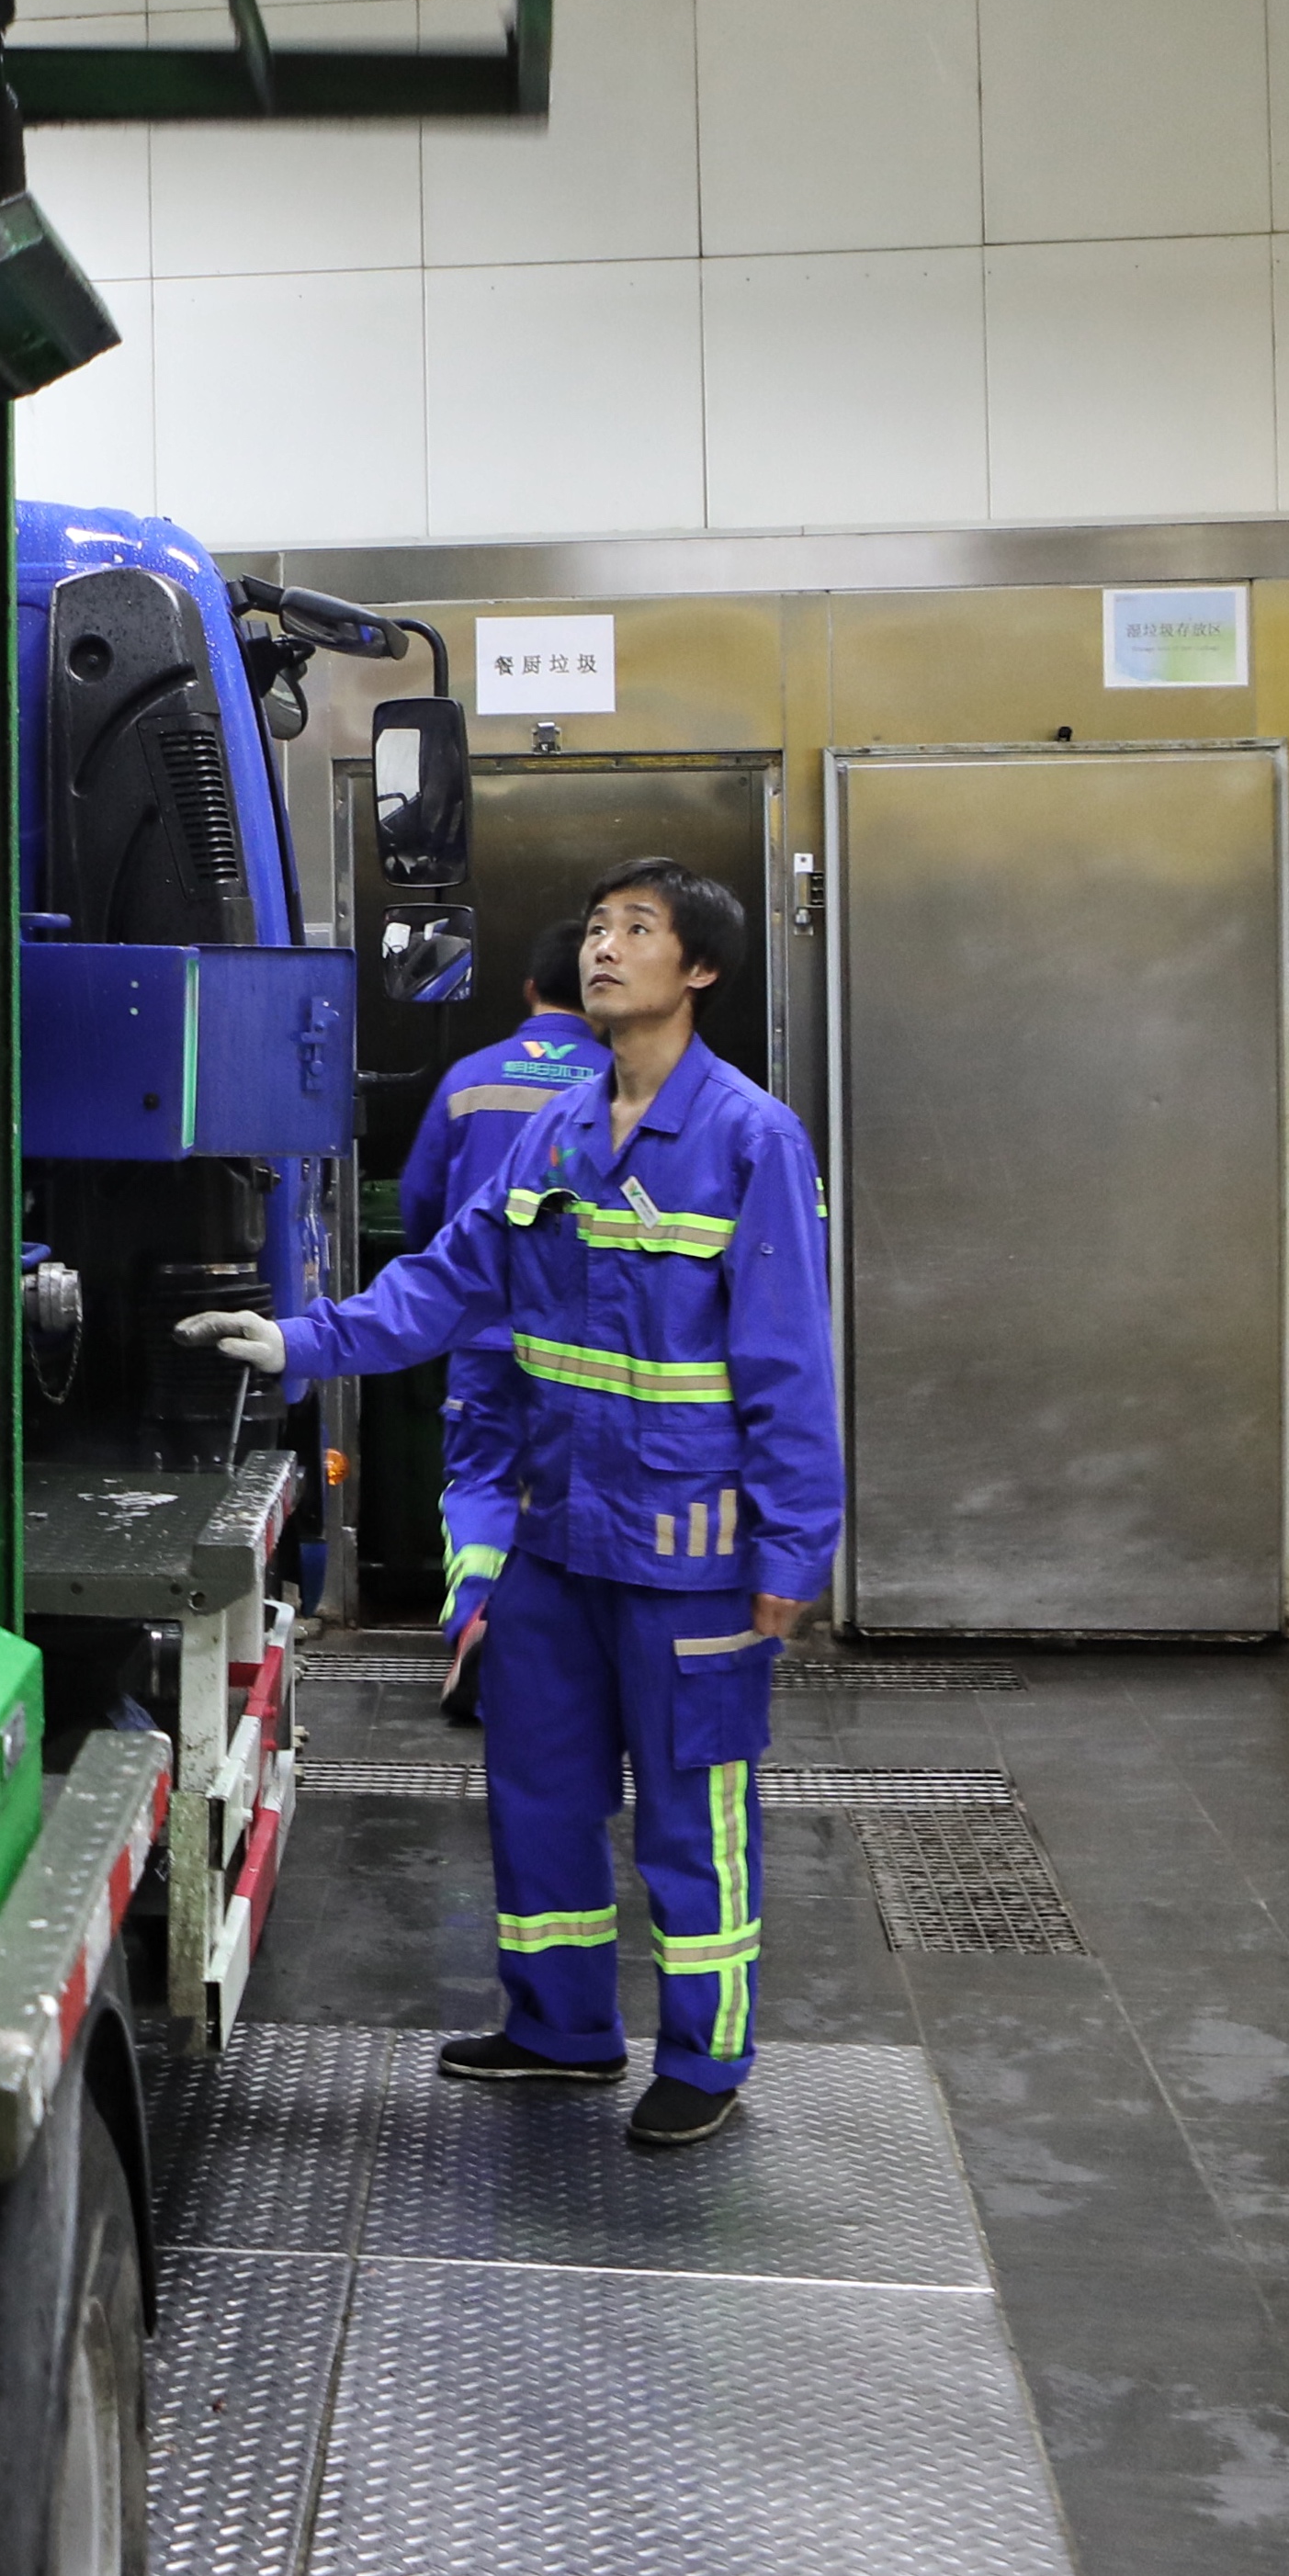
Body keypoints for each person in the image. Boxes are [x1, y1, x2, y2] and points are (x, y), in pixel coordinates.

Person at [181, 855, 836, 2150]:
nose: (603, 949)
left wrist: (793, 1549)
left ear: (697, 969)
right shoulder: (556, 1130)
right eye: (596, 928)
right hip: (552, 1536)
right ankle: (559, 2026)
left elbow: (786, 1360)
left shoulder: (747, 1139)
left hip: (689, 1555)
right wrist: (300, 1341)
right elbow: (445, 1282)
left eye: (636, 931)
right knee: (538, 1790)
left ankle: (705, 2058)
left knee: (692, 1807)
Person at [396, 922, 600, 1727]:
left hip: (483, 1332)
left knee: (480, 1479)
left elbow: (419, 1202)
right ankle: (564, 1653)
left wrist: (448, 1289)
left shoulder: (469, 1078)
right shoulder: (622, 1082)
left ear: (528, 992)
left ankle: (475, 1618)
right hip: (585, 1341)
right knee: (575, 1486)